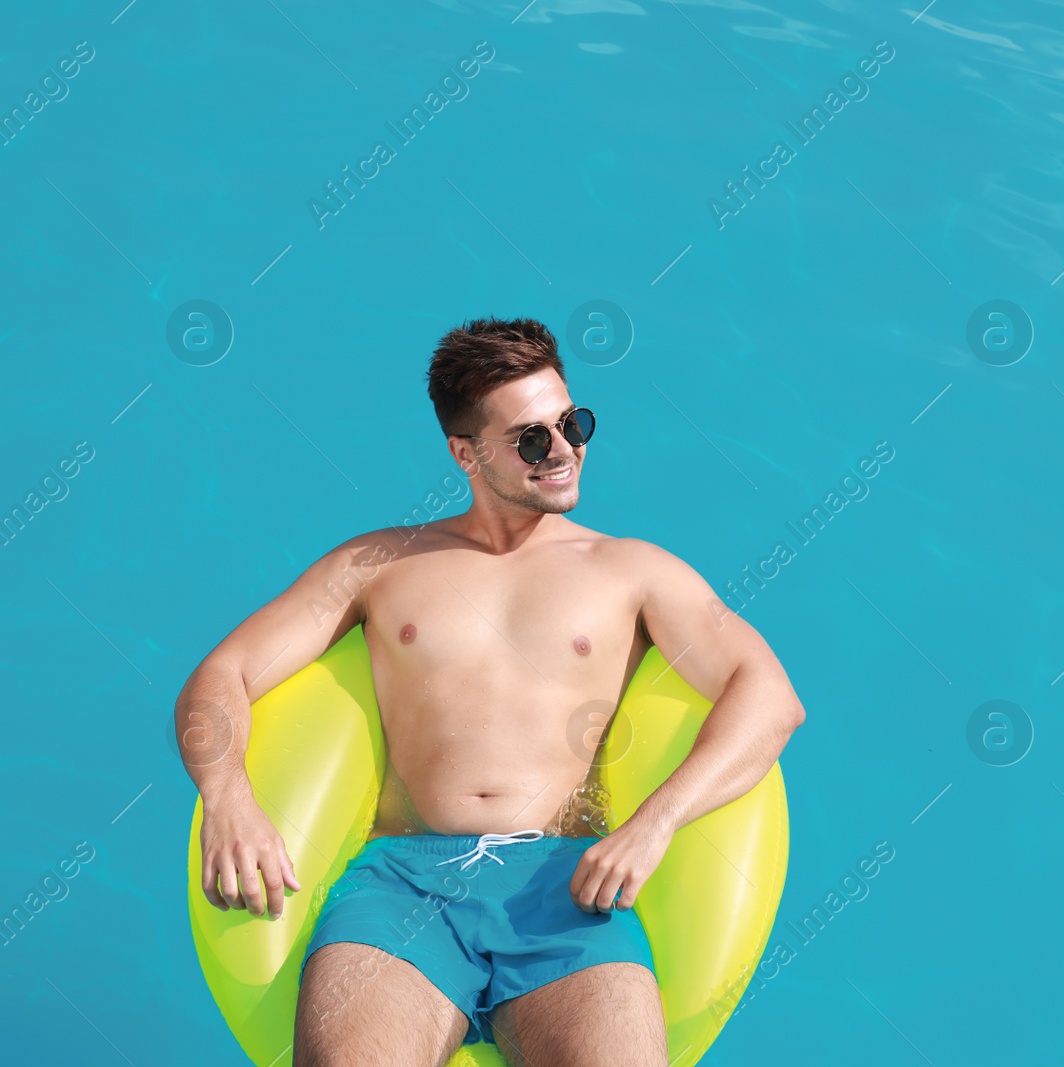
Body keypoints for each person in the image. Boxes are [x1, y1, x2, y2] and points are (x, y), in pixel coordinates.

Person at [174, 317, 806, 1066]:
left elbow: (769, 694)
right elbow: (223, 675)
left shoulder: (631, 571)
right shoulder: (381, 564)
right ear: (465, 453)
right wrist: (229, 798)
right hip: (401, 889)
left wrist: (654, 822)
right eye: (533, 439)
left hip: (566, 892)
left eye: (573, 424)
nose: (565, 451)